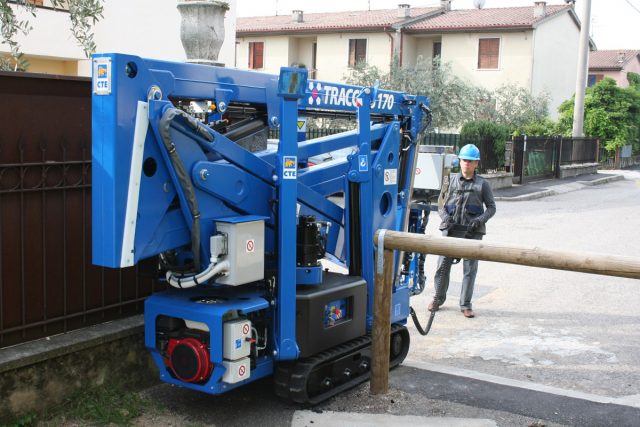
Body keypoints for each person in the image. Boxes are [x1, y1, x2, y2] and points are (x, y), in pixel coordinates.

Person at [429, 144, 496, 318]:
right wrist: (446, 218)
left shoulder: (483, 184)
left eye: (470, 161)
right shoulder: (448, 181)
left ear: (476, 163)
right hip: (450, 229)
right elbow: (440, 204)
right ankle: (438, 299)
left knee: (469, 269)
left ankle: (466, 304)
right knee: (442, 267)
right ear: (459, 161)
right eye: (464, 160)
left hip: (472, 232)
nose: (467, 163)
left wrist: (479, 220)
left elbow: (491, 207)